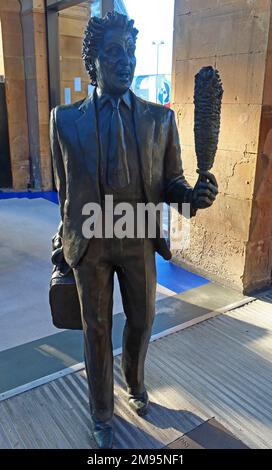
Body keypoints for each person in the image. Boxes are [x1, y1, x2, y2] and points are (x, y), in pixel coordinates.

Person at [50, 12, 218, 449]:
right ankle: (101, 413)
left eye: (130, 52)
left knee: (142, 320)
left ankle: (135, 384)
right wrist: (62, 241)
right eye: (114, 52)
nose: (125, 61)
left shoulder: (158, 120)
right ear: (94, 62)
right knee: (96, 328)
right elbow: (64, 189)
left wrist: (192, 197)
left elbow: (172, 183)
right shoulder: (64, 121)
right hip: (90, 239)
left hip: (139, 232)